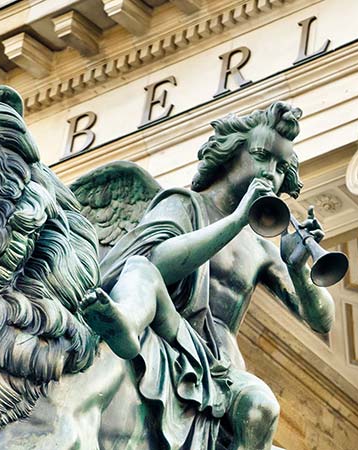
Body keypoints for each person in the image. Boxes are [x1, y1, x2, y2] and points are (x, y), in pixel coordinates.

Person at [84, 101, 335, 450]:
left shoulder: (262, 246)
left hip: (219, 365)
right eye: (262, 155)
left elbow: (322, 320)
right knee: (140, 270)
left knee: (262, 405)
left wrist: (297, 268)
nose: (271, 172)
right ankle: (123, 323)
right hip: (170, 328)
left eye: (281, 167)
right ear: (232, 153)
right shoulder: (183, 203)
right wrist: (236, 220)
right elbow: (157, 261)